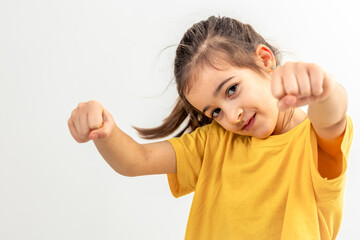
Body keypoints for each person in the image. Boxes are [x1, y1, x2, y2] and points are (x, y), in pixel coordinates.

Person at [67, 16, 353, 240]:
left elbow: (332, 116)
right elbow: (136, 160)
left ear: (264, 60)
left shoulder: (313, 143)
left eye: (231, 90)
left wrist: (323, 89)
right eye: (215, 111)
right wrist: (105, 131)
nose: (232, 116)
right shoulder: (214, 143)